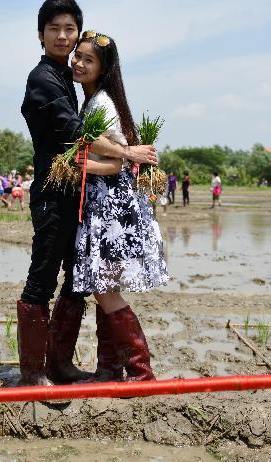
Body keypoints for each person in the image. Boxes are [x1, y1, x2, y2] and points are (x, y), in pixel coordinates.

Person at [18, 0, 158, 387]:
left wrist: (120, 156)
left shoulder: (69, 79)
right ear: (41, 35)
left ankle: (60, 365)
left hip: (77, 197)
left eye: (70, 29)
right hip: (52, 194)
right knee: (42, 279)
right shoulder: (44, 78)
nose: (63, 37)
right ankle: (33, 373)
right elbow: (75, 133)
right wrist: (129, 152)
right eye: (54, 29)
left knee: (78, 281)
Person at [70, 30, 167, 381]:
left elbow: (115, 165)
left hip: (111, 211)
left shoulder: (102, 104)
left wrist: (81, 165)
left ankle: (141, 374)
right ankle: (109, 369)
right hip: (106, 208)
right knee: (105, 288)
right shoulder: (93, 101)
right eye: (78, 56)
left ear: (103, 68)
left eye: (89, 60)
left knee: (105, 290)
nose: (79, 63)